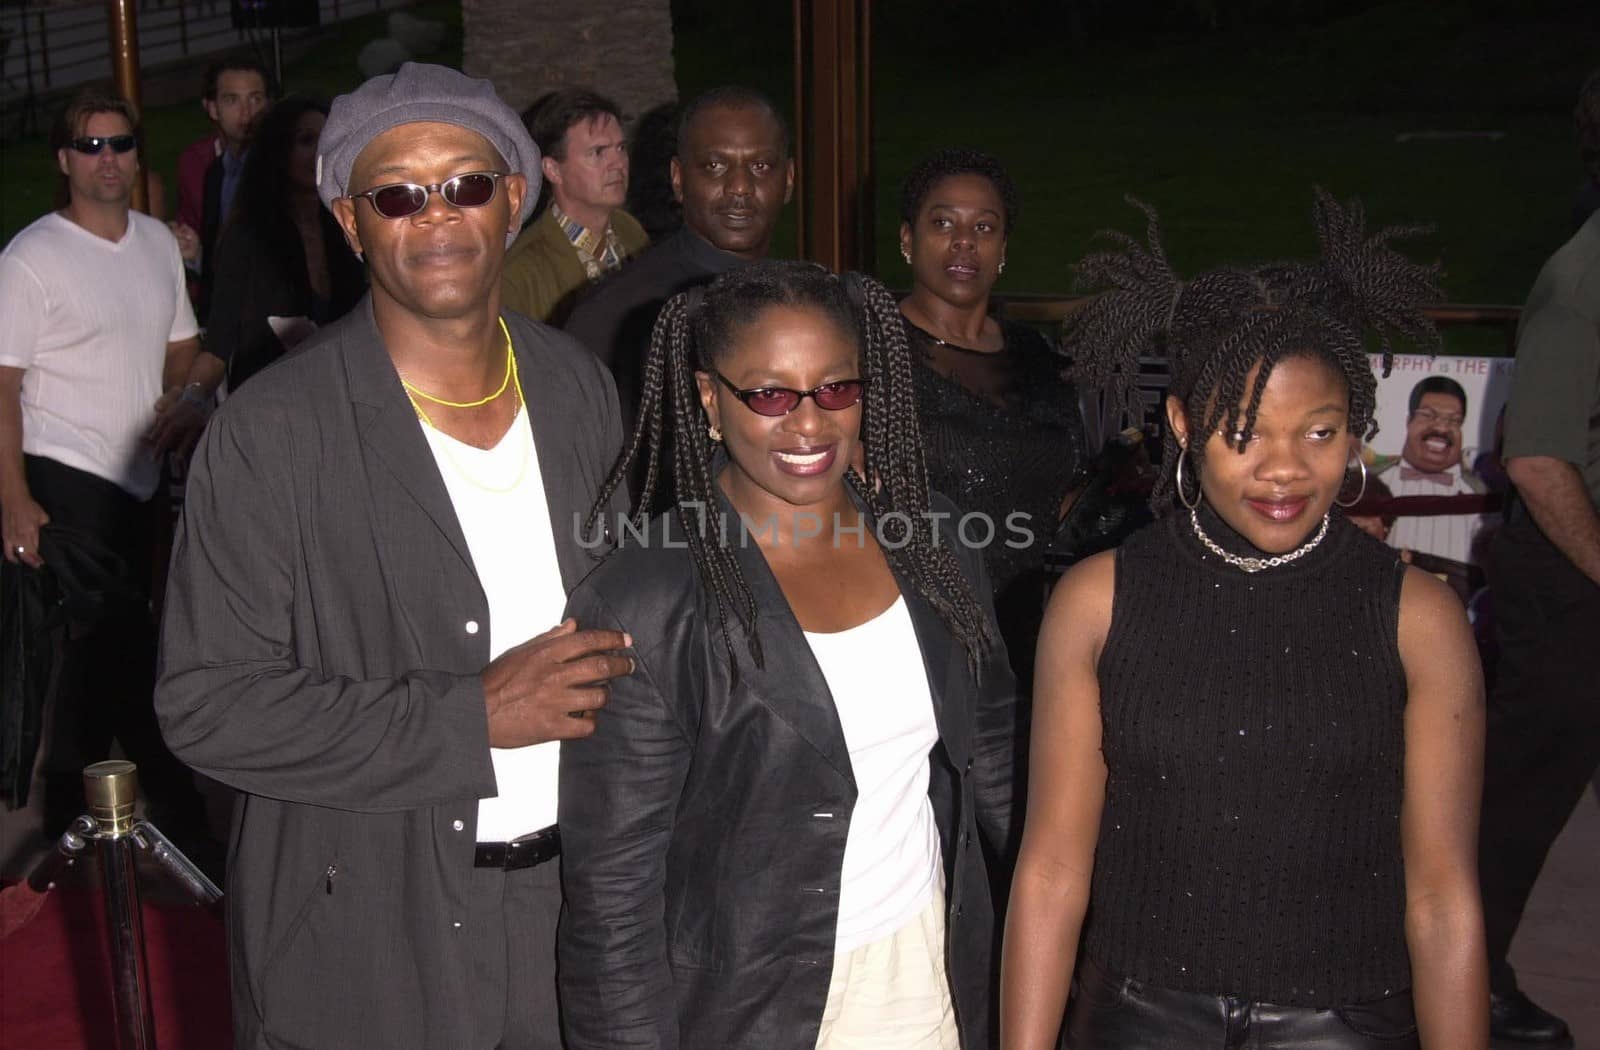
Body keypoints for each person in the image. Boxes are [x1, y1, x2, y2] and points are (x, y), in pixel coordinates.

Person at [154, 63, 633, 1050]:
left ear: (511, 199)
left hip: (573, 913)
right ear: (348, 221)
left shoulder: (578, 387)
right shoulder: (273, 432)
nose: (437, 216)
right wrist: (472, 718)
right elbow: (206, 705)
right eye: (397, 196)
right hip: (365, 930)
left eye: (464, 184)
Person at [1002, 191, 1487, 1049]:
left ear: (1358, 431)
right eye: (1244, 433)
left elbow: (1442, 897)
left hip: (1349, 1023)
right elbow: (1049, 872)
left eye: (1320, 432)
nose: (1284, 470)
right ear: (1182, 424)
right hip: (1135, 1019)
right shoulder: (1099, 599)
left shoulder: (1418, 616)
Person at [558, 261, 1018, 1049]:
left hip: (926, 979)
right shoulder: (647, 598)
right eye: (770, 395)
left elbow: (1000, 763)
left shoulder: (934, 544)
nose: (809, 425)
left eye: (836, 389)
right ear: (709, 398)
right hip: (749, 1010)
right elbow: (613, 901)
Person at [0, 90, 221, 843]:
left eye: (120, 145)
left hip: (136, 480)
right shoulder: (31, 257)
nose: (108, 160)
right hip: (63, 478)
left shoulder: (158, 243)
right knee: (109, 657)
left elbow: (179, 350)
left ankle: (86, 829)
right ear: (63, 159)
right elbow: (1, 386)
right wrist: (14, 498)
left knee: (106, 664)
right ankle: (171, 819)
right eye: (90, 146)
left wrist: (189, 394)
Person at [1476, 205, 1600, 1049]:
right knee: (1518, 804)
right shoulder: (1583, 278)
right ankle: (1467, 984)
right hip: (1571, 578)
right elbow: (1538, 459)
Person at [897, 147, 1087, 689]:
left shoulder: (1039, 356)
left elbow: (1068, 483)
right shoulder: (871, 351)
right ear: (907, 240)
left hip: (1034, 634)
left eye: (984, 226)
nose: (964, 241)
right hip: (923, 639)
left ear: (1003, 247)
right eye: (943, 223)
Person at [564, 85, 794, 430]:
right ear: (678, 179)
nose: (740, 187)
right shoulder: (616, 317)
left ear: (788, 180)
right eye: (715, 166)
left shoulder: (804, 304)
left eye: (760, 166)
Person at [205, 96, 366, 390]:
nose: (319, 152)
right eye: (306, 141)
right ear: (279, 152)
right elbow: (218, 342)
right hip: (270, 402)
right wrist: (191, 399)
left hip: (341, 395)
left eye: (327, 140)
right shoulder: (248, 234)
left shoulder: (347, 225)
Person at [501, 88, 649, 325]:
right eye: (598, 152)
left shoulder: (631, 232)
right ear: (553, 170)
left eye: (621, 148)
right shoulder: (521, 273)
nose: (618, 164)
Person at [1376, 376, 1493, 599]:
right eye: (1428, 415)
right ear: (1408, 421)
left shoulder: (1484, 499)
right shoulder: (1369, 489)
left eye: (1453, 421)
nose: (1441, 427)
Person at [172, 56, 271, 308]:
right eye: (232, 100)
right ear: (213, 108)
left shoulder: (286, 165)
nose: (246, 112)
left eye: (255, 99)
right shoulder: (203, 166)